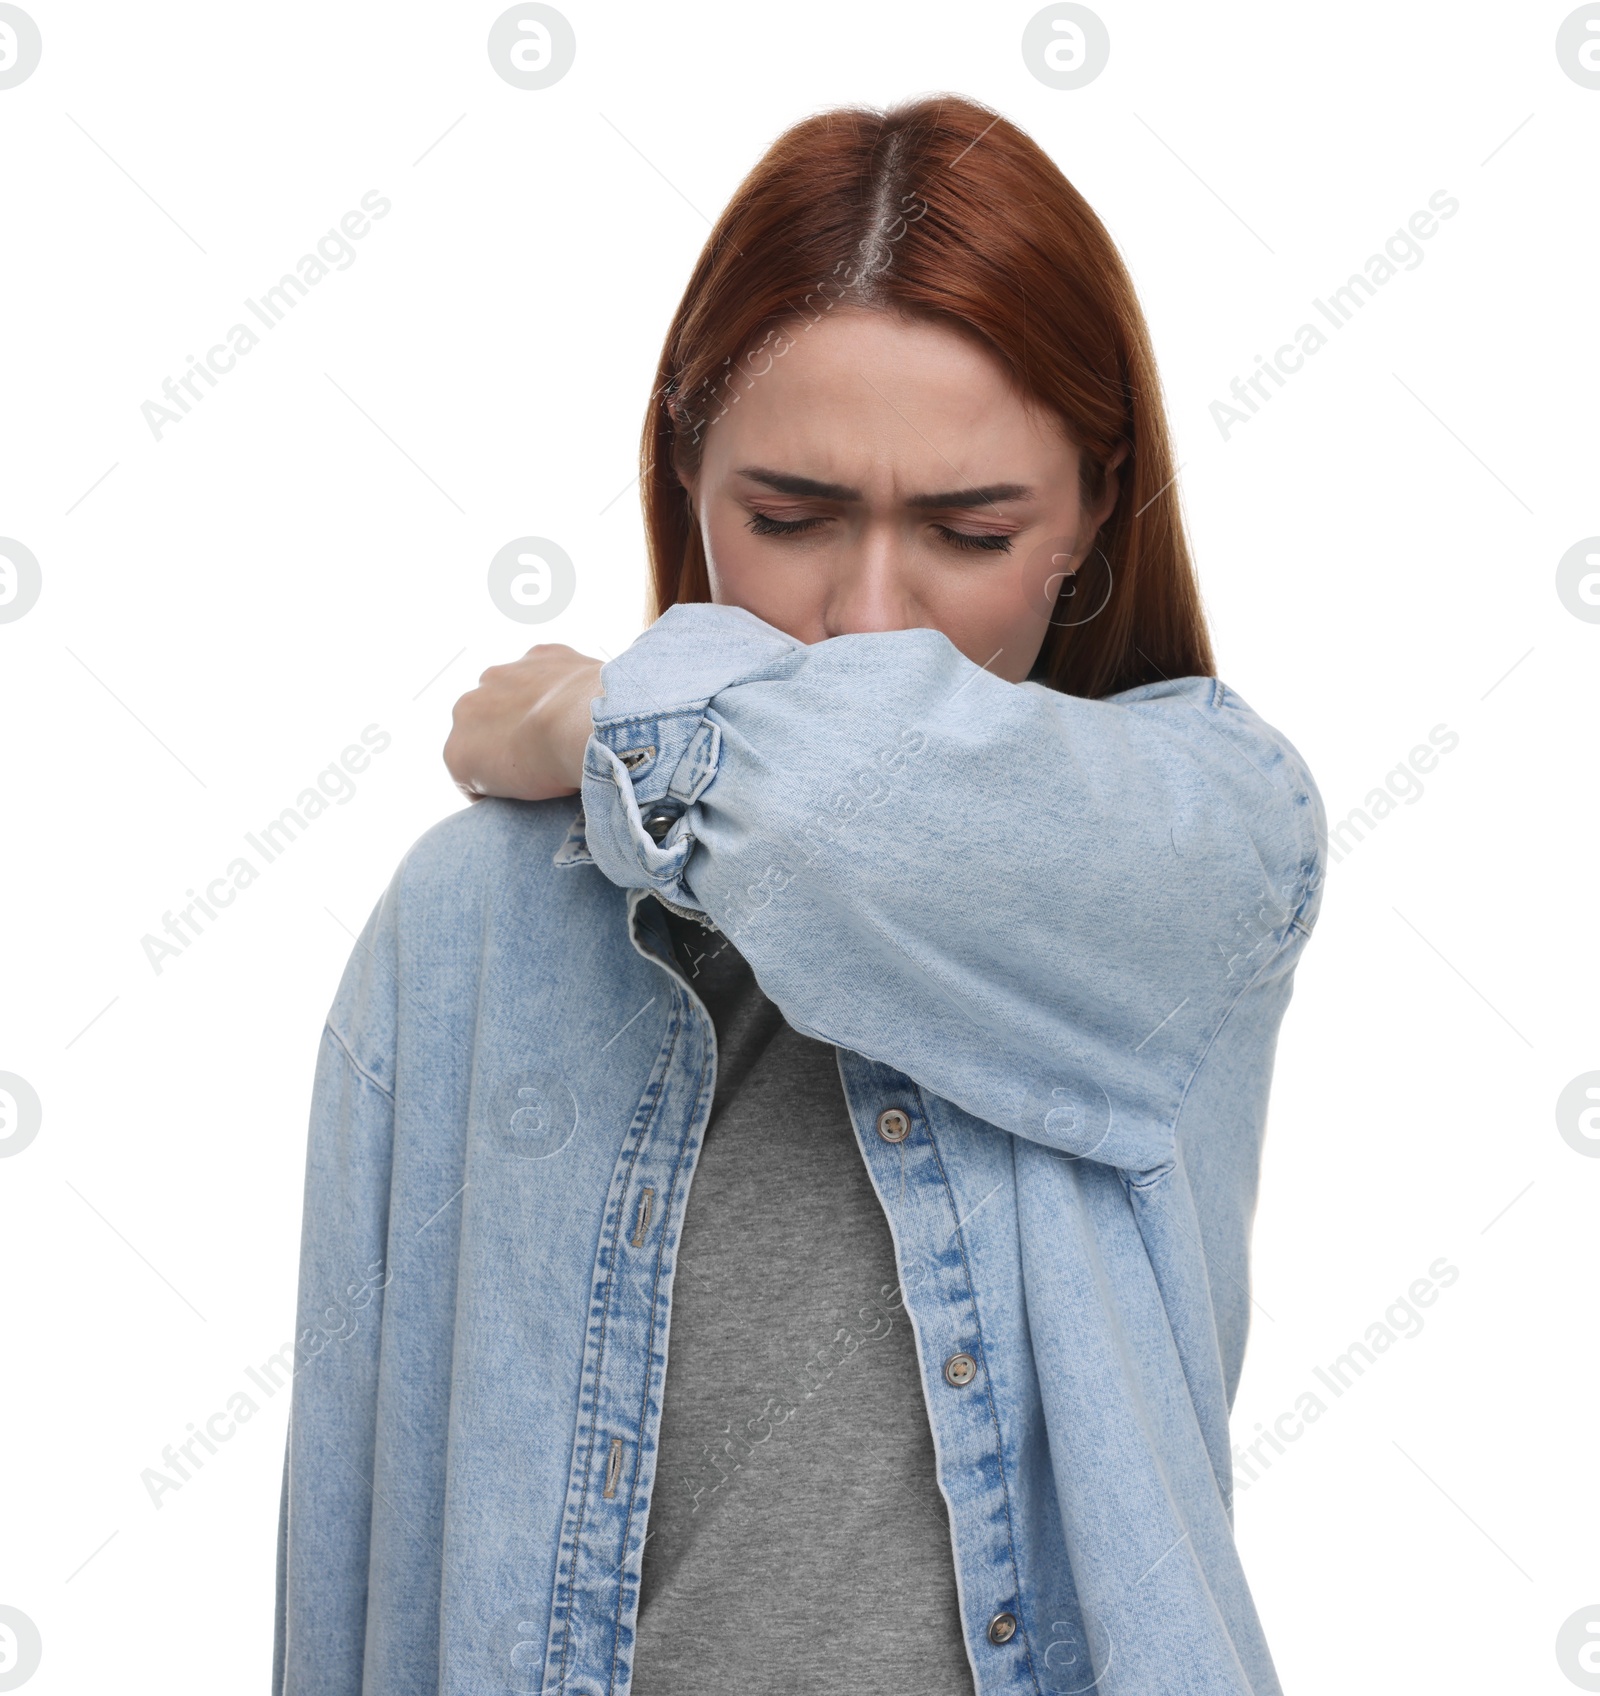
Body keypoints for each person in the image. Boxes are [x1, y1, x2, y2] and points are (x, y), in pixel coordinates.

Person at [274, 93, 1326, 1696]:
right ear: (685, 470)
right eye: (790, 519)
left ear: (1097, 513)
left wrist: (608, 709)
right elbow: (351, 1536)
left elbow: (860, 794)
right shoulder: (472, 919)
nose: (872, 622)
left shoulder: (1199, 840)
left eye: (972, 530)